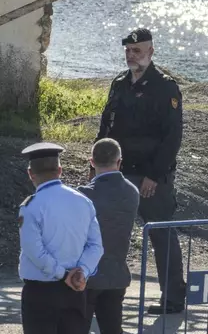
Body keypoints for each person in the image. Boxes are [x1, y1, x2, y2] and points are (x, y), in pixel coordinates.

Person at [95, 28, 186, 314]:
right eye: (128, 50)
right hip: (116, 172)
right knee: (106, 231)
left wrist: (155, 176)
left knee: (161, 234)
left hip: (150, 175)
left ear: (151, 52)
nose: (131, 55)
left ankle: (172, 297)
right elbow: (106, 126)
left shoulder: (165, 86)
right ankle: (103, 292)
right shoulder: (120, 83)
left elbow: (172, 136)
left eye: (137, 50)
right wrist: (97, 164)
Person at [18, 142, 104, 334]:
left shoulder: (31, 207)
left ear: (31, 174)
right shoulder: (83, 201)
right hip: (75, 290)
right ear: (60, 170)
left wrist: (62, 274)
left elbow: (35, 251)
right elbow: (96, 246)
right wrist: (82, 272)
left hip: (41, 292)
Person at [77, 138, 139, 334]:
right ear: (119, 162)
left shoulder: (83, 194)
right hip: (116, 273)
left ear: (92, 162)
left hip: (86, 274)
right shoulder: (132, 191)